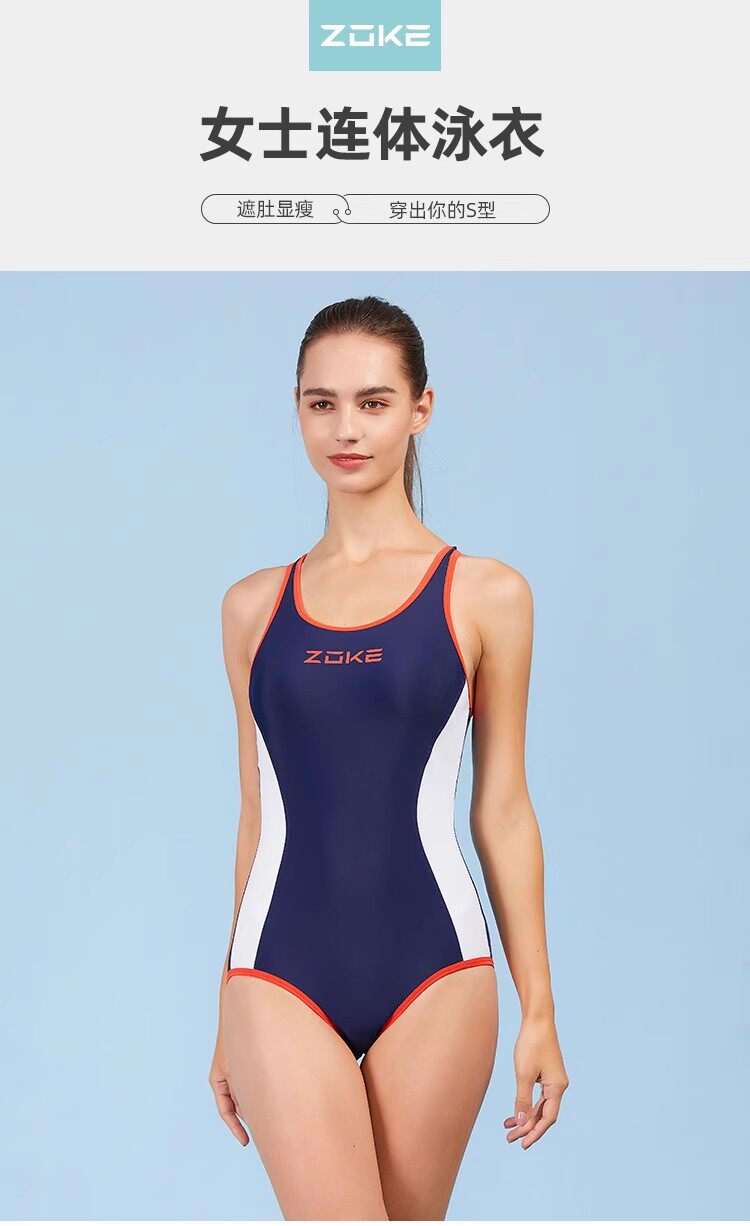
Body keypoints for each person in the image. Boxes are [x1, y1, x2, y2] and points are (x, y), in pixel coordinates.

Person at [209, 295, 569, 1220]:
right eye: (321, 403)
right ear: (297, 412)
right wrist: (223, 1011)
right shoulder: (252, 608)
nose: (346, 428)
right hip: (276, 970)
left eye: (373, 402)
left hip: (438, 968)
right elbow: (257, 813)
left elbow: (503, 809)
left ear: (421, 409)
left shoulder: (486, 594)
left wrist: (539, 1007)